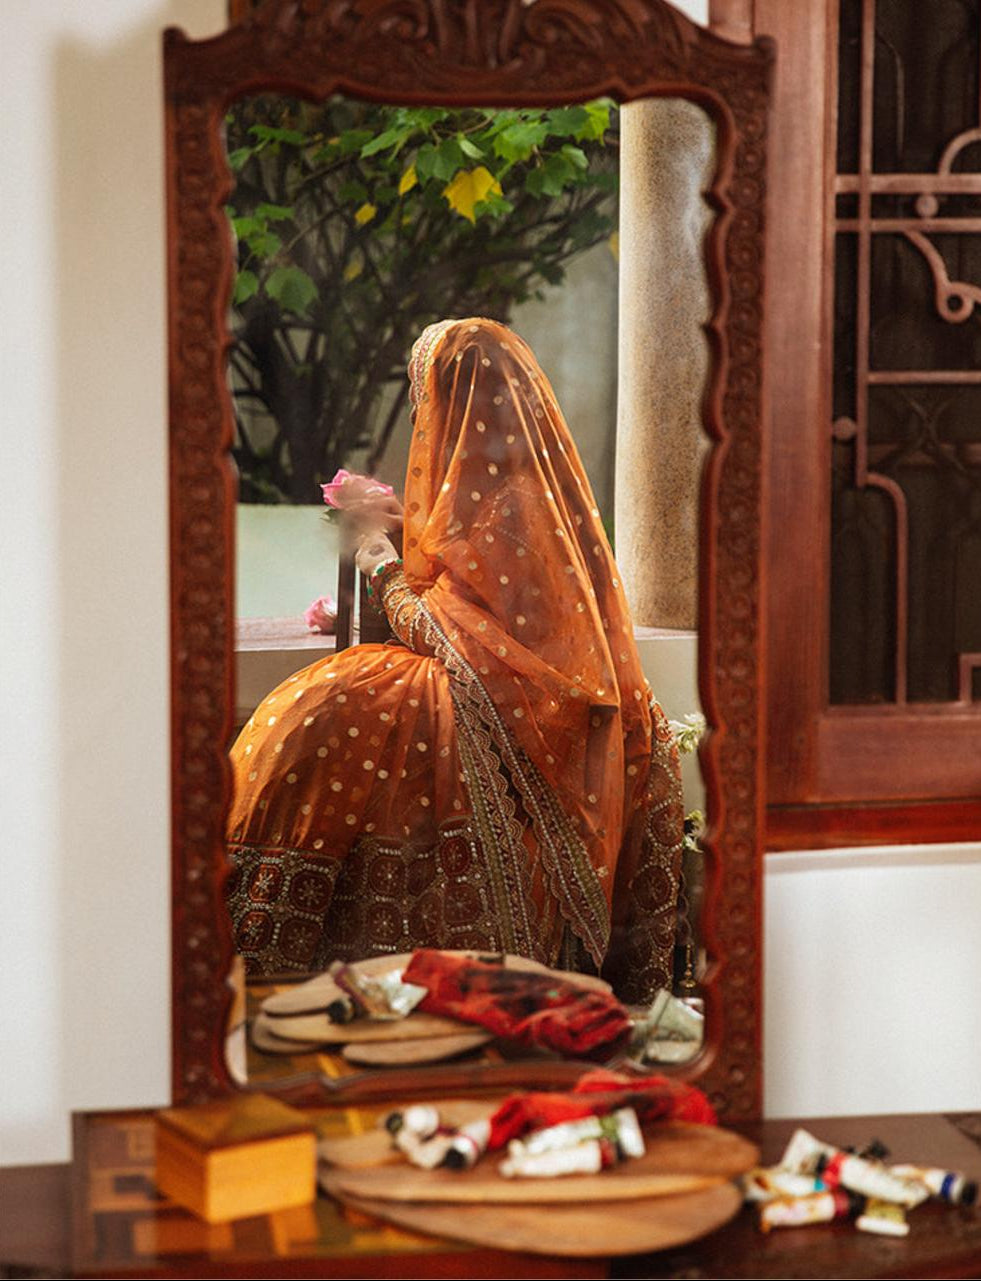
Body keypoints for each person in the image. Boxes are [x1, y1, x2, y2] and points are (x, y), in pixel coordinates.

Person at [226, 317, 683, 1003]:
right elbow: (475, 592)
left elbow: (459, 637)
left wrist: (380, 566)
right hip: (512, 699)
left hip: (519, 718)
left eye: (428, 396)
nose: (421, 415)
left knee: (322, 715)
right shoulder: (520, 495)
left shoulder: (512, 506)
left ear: (463, 404)